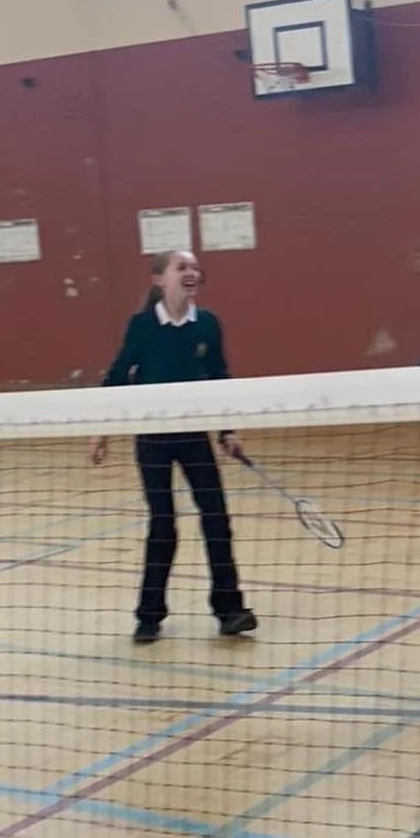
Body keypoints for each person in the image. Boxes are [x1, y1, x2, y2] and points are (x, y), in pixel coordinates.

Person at [91, 249, 258, 645]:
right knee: (163, 525)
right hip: (152, 440)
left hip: (195, 436)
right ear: (159, 279)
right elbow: (118, 375)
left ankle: (230, 609)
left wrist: (226, 430)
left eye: (195, 267)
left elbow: (218, 377)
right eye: (181, 267)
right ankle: (149, 616)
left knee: (216, 519)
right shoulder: (142, 326)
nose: (192, 272)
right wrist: (101, 429)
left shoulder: (208, 325)